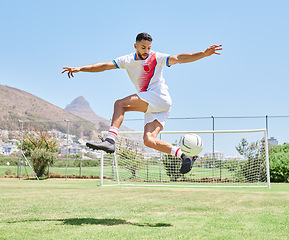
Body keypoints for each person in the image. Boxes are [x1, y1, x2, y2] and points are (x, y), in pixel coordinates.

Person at [62, 32, 222, 174]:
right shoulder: (126, 60)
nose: (146, 51)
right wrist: (80, 68)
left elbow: (180, 58)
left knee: (120, 104)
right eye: (143, 47)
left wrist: (203, 54)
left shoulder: (156, 57)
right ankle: (184, 155)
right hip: (155, 106)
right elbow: (103, 66)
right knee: (149, 140)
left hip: (159, 97)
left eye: (149, 47)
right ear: (136, 46)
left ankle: (110, 140)